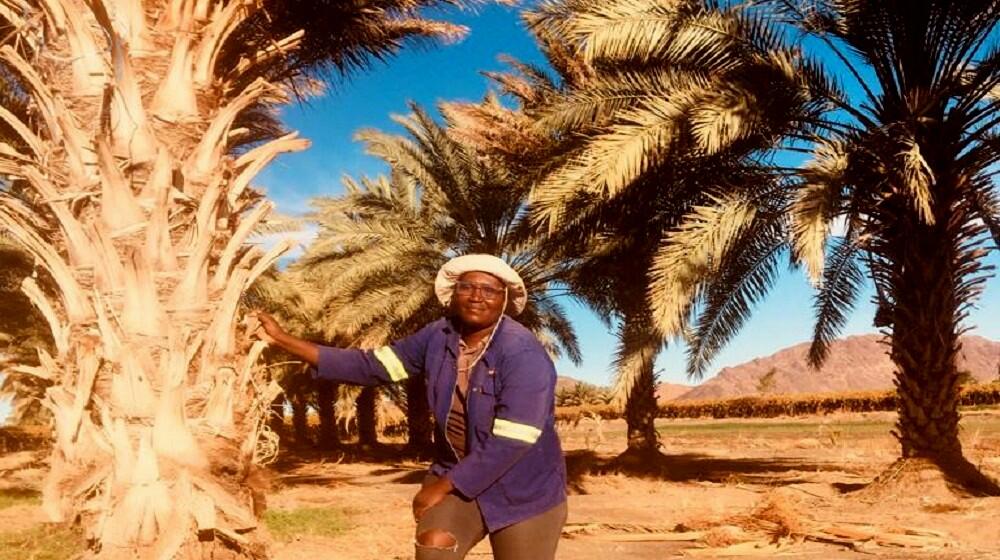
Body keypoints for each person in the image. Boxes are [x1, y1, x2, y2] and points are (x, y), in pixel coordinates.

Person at [252, 254, 567, 560]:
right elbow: (373, 366)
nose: (476, 296)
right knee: (435, 544)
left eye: (489, 290)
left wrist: (443, 486)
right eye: (467, 287)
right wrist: (283, 339)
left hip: (522, 487)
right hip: (457, 474)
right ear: (454, 293)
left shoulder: (522, 352)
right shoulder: (438, 336)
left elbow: (512, 441)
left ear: (505, 300)